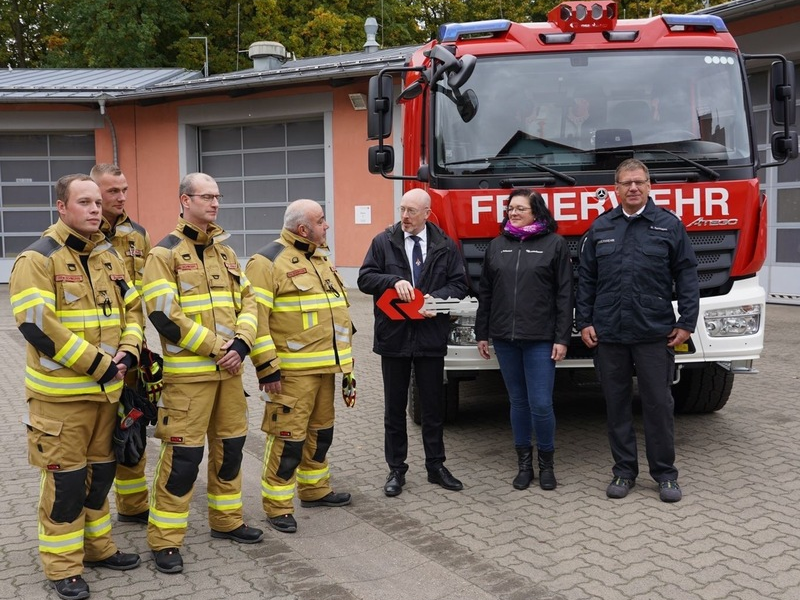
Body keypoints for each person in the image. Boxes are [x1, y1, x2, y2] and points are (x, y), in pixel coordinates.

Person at [10, 174, 143, 600]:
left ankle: (98, 547)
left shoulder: (108, 256)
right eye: (83, 202)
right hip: (61, 401)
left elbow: (133, 310)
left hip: (107, 394)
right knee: (66, 485)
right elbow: (36, 325)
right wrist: (101, 365)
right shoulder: (37, 258)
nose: (94, 209)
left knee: (100, 477)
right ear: (62, 208)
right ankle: (63, 566)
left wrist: (130, 351)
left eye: (96, 203)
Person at [141, 173, 263, 574]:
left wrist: (242, 344)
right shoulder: (164, 253)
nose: (214, 203)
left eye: (217, 196)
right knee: (183, 461)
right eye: (206, 197)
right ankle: (165, 540)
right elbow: (163, 315)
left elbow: (250, 301)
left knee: (230, 452)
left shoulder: (226, 252)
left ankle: (226, 521)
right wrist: (217, 348)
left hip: (228, 377)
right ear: (184, 200)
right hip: (189, 381)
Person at [576, 158, 699, 503]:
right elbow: (586, 279)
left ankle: (665, 475)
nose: (633, 188)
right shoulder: (600, 228)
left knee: (658, 405)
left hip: (653, 332)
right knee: (616, 405)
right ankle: (624, 471)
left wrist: (687, 322)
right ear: (615, 189)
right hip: (610, 333)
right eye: (626, 183)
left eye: (639, 182)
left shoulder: (668, 226)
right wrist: (583, 320)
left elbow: (687, 275)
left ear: (649, 186)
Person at [244, 199, 354, 534]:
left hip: (326, 370)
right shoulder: (266, 261)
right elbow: (255, 320)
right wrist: (266, 368)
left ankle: (314, 489)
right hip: (290, 375)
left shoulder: (319, 256)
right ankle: (277, 506)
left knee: (321, 434)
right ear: (303, 228)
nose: (328, 226)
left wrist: (346, 361)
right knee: (288, 440)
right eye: (322, 220)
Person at [358, 188, 468, 497]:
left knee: (433, 407)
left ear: (426, 214)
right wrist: (392, 281)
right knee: (394, 409)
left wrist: (439, 298)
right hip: (394, 338)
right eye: (402, 209)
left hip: (430, 338)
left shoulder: (445, 245)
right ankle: (396, 470)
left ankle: (436, 467)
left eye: (411, 211)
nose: (404, 216)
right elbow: (365, 278)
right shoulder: (384, 241)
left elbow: (459, 283)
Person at [475, 189, 573, 491]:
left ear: (536, 212)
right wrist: (482, 333)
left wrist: (562, 337)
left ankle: (546, 465)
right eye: (510, 208)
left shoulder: (554, 245)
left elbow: (565, 294)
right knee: (517, 402)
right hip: (505, 338)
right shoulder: (497, 246)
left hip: (540, 339)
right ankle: (523, 465)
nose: (513, 213)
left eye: (520, 208)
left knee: (541, 403)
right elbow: (486, 294)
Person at [90, 164, 153, 526]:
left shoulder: (137, 233)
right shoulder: (78, 235)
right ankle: (91, 517)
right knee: (97, 439)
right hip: (94, 355)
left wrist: (139, 346)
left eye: (124, 190)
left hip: (133, 347)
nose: (121, 198)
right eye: (113, 191)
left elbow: (140, 295)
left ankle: (133, 506)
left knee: (132, 425)